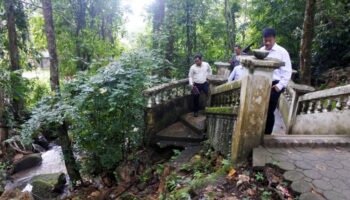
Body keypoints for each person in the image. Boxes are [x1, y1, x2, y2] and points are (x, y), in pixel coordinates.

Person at [261, 28, 292, 135]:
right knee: (260, 108)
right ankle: (259, 132)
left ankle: (267, 135)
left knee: (269, 110)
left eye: (269, 40)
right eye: (265, 40)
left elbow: (288, 72)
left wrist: (279, 86)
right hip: (262, 83)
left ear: (274, 39)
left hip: (275, 84)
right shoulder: (261, 51)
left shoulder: (282, 52)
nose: (267, 43)